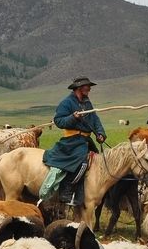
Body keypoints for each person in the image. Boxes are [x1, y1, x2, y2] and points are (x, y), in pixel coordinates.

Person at [39, 76, 107, 206]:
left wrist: (100, 134)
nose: (89, 89)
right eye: (87, 87)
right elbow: (58, 121)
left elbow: (95, 120)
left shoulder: (87, 103)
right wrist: (73, 117)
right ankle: (67, 192)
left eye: (89, 87)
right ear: (79, 88)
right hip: (72, 141)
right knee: (82, 163)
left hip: (85, 140)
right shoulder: (67, 102)